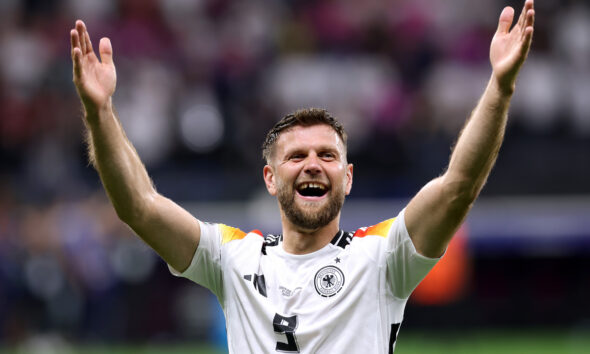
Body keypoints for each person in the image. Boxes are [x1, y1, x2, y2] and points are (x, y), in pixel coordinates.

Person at [70, 1, 535, 352]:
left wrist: (500, 86)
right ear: (270, 178)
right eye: (297, 156)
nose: (312, 163)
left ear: (348, 178)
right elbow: (138, 204)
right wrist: (100, 112)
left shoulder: (383, 260)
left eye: (327, 156)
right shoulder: (232, 257)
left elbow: (458, 186)